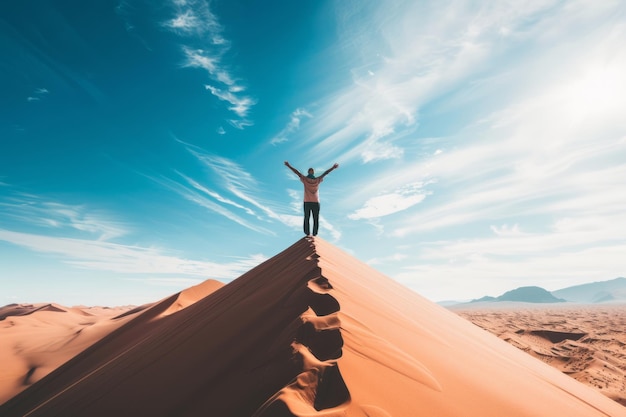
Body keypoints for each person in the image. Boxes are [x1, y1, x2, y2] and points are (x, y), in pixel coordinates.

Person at [285, 161, 339, 237]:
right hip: (315, 202)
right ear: (313, 173)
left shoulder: (305, 179)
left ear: (309, 172)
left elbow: (297, 172)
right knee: (314, 218)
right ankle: (313, 234)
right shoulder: (317, 180)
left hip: (307, 202)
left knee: (308, 218)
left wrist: (289, 166)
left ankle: (309, 233)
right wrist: (333, 168)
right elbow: (325, 173)